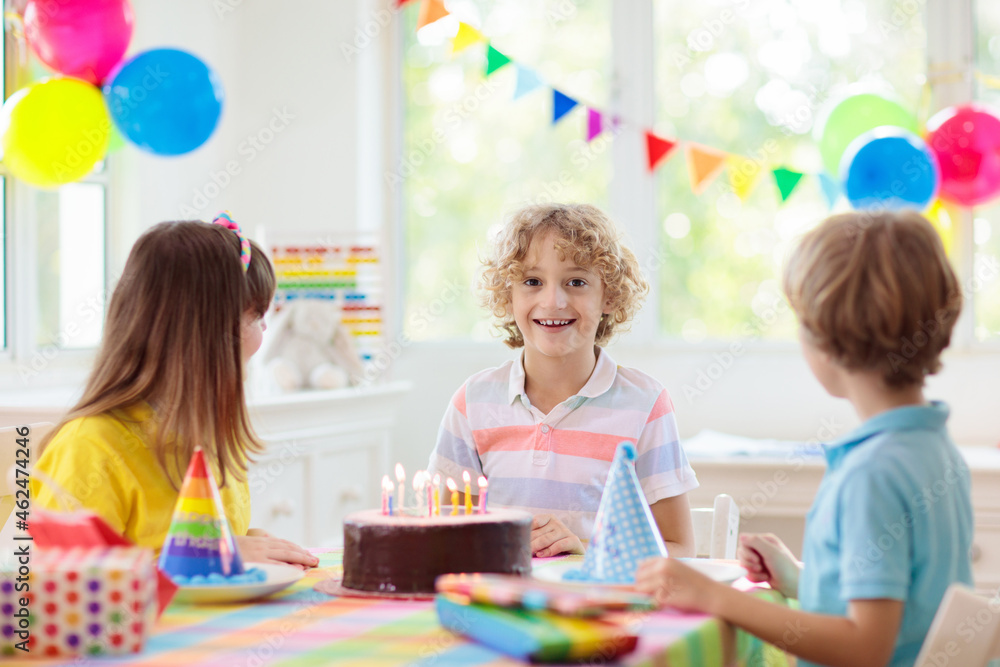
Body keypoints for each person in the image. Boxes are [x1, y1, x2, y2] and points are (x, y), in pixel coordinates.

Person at [635, 210, 972, 667]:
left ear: (829, 339)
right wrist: (797, 580)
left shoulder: (872, 474)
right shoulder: (931, 446)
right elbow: (902, 597)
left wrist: (716, 598)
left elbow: (864, 646)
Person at [31, 216, 318, 569]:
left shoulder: (207, 436)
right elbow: (59, 587)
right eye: (257, 316)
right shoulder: (90, 448)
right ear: (209, 334)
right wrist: (207, 556)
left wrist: (244, 544)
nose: (265, 329)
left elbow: (194, 543)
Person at [426, 203, 698, 558]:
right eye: (532, 282)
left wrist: (582, 547)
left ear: (610, 296)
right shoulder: (472, 403)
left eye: (576, 282)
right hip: (500, 607)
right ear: (508, 296)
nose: (553, 300)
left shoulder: (646, 405)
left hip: (597, 609)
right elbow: (445, 539)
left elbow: (680, 549)